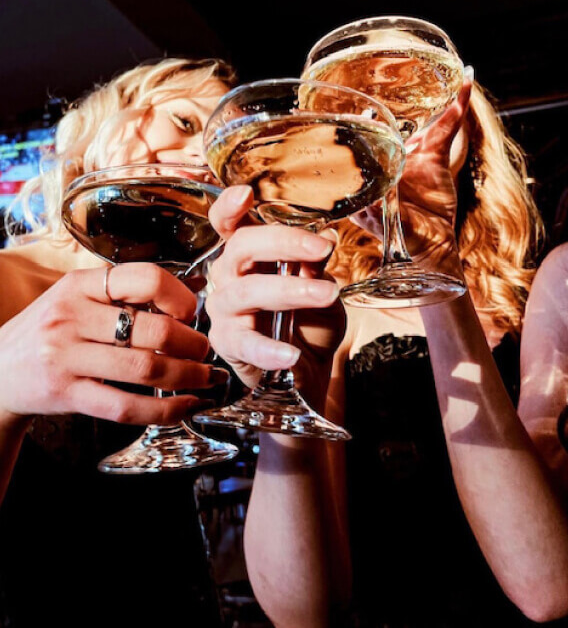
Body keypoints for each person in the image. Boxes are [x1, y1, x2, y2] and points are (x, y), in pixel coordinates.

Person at [206, 78, 568, 627]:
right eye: (356, 110)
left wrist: (436, 274)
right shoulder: (325, 303)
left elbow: (549, 587)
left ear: (465, 121)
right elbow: (302, 612)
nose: (388, 123)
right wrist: (282, 390)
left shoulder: (544, 286)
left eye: (415, 97)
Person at [0, 56, 236, 627]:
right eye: (186, 123)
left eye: (224, 152)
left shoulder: (207, 316)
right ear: (104, 128)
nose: (203, 158)